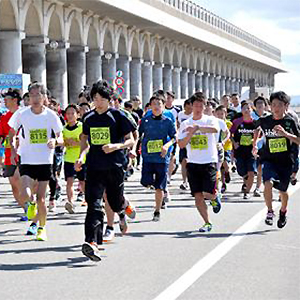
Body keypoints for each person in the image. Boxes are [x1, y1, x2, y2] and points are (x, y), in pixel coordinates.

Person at [75, 80, 135, 262]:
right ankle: (91, 243)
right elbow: (85, 139)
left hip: (115, 166)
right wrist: (81, 156)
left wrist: (116, 146)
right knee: (93, 205)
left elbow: (131, 139)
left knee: (115, 202)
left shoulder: (118, 116)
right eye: (95, 98)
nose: (98, 102)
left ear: (109, 99)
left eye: (101, 98)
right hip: (94, 167)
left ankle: (123, 209)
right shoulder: (89, 118)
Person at [9, 82, 63, 241]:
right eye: (32, 95)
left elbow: (61, 136)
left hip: (44, 161)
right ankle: (30, 205)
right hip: (26, 158)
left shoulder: (51, 115)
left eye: (38, 95)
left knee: (41, 198)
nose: (35, 98)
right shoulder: (22, 114)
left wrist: (55, 141)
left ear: (45, 97)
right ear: (28, 98)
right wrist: (12, 148)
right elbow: (12, 133)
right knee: (25, 193)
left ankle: (42, 228)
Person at [253, 91, 300, 228]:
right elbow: (256, 128)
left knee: (283, 192)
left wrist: (285, 134)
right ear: (270, 106)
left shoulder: (290, 122)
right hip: (269, 159)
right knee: (267, 182)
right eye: (273, 105)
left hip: (285, 162)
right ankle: (269, 211)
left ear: (286, 106)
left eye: (280, 105)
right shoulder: (265, 120)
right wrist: (255, 144)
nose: (276, 108)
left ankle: (283, 211)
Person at [178, 92, 221, 232]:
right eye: (195, 105)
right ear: (191, 106)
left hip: (209, 161)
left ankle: (215, 198)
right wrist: (190, 133)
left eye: (201, 105)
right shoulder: (185, 123)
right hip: (193, 163)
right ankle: (207, 222)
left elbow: (214, 130)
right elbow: (181, 144)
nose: (198, 108)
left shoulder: (210, 120)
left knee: (208, 193)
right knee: (197, 195)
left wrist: (198, 128)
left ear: (204, 106)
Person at [139, 94, 176, 221]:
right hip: (148, 157)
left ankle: (157, 210)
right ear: (150, 106)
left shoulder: (168, 121)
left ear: (164, 106)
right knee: (145, 182)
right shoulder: (145, 120)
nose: (156, 107)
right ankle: (155, 188)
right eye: (154, 104)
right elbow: (139, 135)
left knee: (159, 186)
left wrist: (167, 145)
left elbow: (174, 137)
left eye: (159, 104)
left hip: (162, 158)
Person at [0, 89, 24, 219]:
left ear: (15, 100)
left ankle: (30, 204)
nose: (4, 101)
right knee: (14, 186)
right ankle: (26, 208)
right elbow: (2, 136)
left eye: (7, 99)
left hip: (24, 154)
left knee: (19, 179)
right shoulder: (4, 118)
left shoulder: (24, 114)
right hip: (9, 154)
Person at [63, 104, 86, 213]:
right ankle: (70, 202)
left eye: (73, 113)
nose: (70, 115)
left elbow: (86, 142)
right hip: (68, 158)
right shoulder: (64, 128)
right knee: (69, 181)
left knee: (83, 182)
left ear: (78, 115)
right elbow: (61, 141)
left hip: (82, 158)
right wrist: (65, 142)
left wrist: (76, 142)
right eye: (68, 113)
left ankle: (89, 200)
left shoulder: (82, 126)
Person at [230, 101, 256, 199]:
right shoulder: (237, 122)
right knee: (241, 171)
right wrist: (234, 143)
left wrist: (255, 142)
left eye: (248, 108)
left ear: (252, 110)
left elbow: (260, 135)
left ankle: (247, 192)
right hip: (239, 151)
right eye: (244, 108)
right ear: (241, 110)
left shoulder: (255, 123)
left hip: (251, 151)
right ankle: (245, 178)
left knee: (251, 172)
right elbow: (230, 134)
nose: (246, 110)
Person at [215, 105, 233, 193]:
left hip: (226, 146)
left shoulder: (228, 123)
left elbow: (229, 133)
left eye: (222, 114)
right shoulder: (214, 122)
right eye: (218, 114)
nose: (220, 115)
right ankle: (223, 183)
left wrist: (224, 141)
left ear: (225, 114)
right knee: (220, 167)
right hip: (217, 147)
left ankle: (227, 172)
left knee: (225, 163)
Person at [178, 98, 193, 190]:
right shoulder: (180, 114)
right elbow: (178, 125)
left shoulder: (195, 116)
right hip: (183, 140)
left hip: (193, 141)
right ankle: (184, 181)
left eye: (191, 108)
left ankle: (192, 180)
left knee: (192, 162)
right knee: (184, 161)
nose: (189, 110)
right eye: (187, 108)